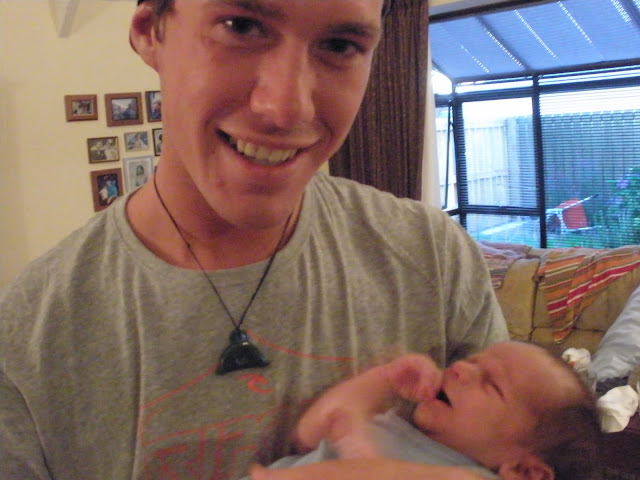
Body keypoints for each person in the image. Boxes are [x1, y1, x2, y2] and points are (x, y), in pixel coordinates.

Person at [0, 1, 510, 479]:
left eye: (340, 46)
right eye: (241, 27)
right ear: (150, 33)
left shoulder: (432, 257)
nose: (287, 108)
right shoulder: (26, 342)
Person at [247, 342, 602, 480]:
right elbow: (309, 432)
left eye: (491, 383)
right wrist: (383, 380)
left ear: (525, 472)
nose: (460, 368)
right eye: (473, 361)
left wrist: (360, 458)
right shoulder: (400, 426)